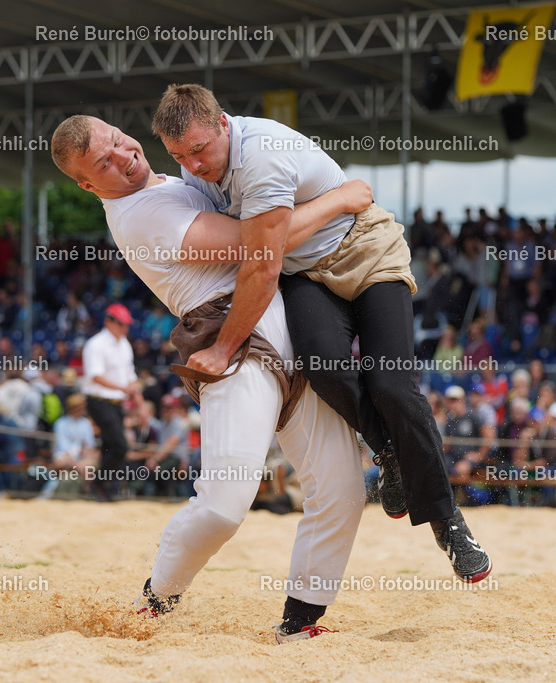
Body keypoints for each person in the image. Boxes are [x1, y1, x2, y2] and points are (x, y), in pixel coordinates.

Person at [152, 84, 491, 584]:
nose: (194, 166)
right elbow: (259, 245)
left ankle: (448, 522)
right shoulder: (192, 166)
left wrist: (224, 347)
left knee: (392, 384)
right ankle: (390, 451)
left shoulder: (262, 156)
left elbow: (262, 260)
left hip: (365, 250)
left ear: (223, 123)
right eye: (179, 156)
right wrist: (336, 197)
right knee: (322, 364)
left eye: (199, 150)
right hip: (307, 274)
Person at [52, 114, 370, 641]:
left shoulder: (178, 181)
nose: (123, 156)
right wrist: (340, 198)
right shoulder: (139, 216)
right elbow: (259, 244)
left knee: (341, 489)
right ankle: (156, 599)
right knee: (224, 506)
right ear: (88, 185)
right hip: (230, 339)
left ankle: (300, 623)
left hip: (289, 331)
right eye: (103, 163)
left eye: (117, 141)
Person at [82, 303, 143, 501]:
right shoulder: (96, 344)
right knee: (120, 445)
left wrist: (139, 403)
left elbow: (130, 376)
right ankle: (99, 483)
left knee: (110, 446)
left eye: (126, 324)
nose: (125, 328)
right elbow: (95, 376)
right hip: (99, 400)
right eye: (122, 324)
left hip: (116, 401)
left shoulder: (124, 344)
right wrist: (123, 389)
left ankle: (103, 489)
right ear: (109, 322)